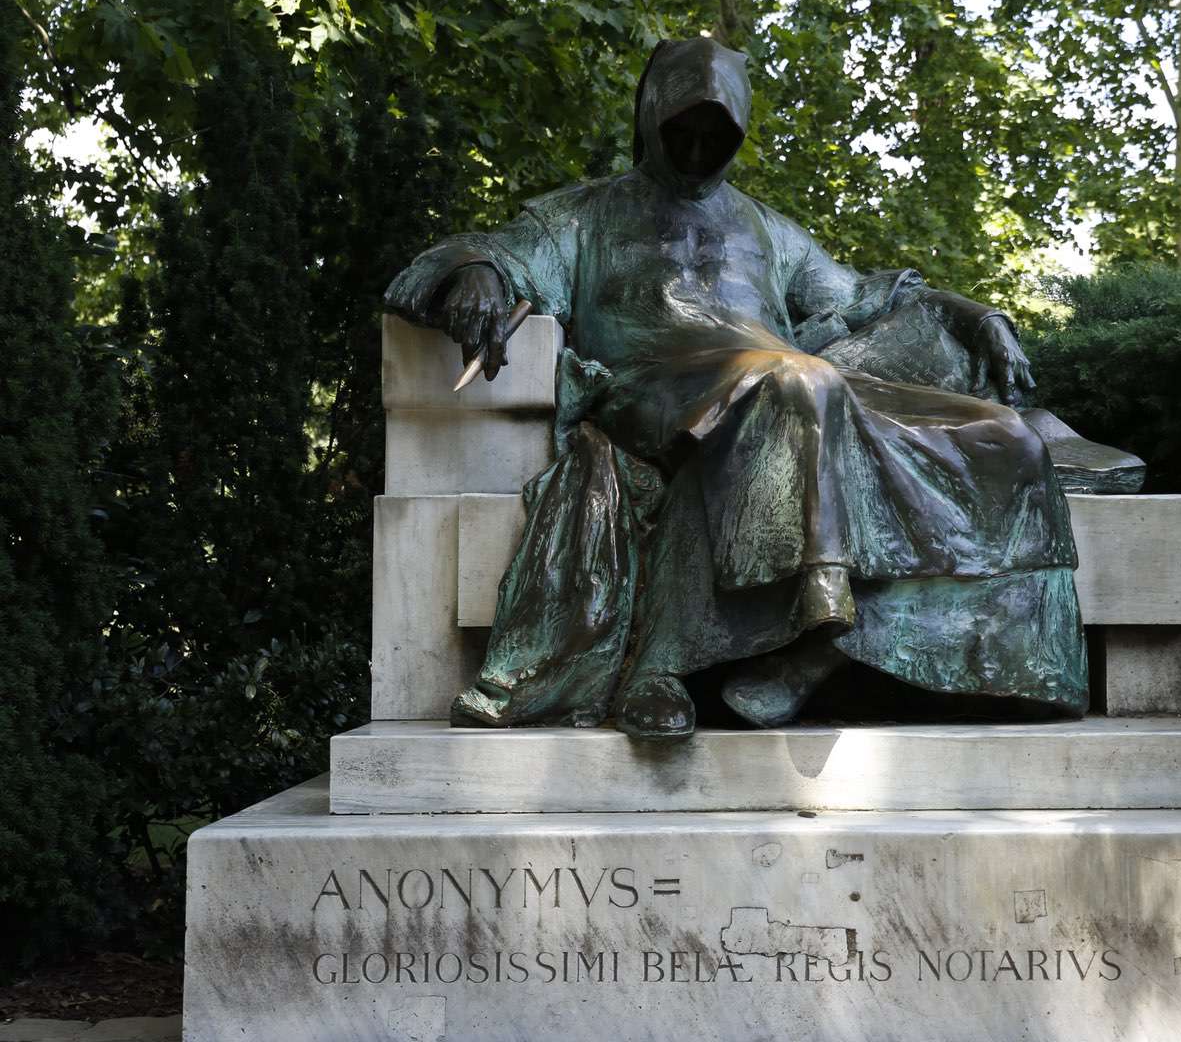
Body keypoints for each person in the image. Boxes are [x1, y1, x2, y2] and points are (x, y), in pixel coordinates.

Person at [384, 37, 1087, 740]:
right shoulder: (580, 216)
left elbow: (864, 295)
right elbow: (484, 252)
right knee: (797, 380)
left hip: (784, 385)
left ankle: (864, 658)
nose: (696, 152)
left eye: (714, 137)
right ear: (649, 119)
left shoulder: (770, 230)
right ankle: (822, 609)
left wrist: (976, 316)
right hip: (655, 388)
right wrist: (474, 274)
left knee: (1003, 435)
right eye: (680, 132)